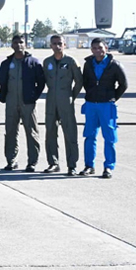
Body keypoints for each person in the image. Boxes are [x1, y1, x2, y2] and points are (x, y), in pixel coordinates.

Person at [80, 37, 128, 178]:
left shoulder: (115, 65)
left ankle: (108, 167)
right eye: (94, 48)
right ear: (91, 50)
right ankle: (89, 166)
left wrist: (111, 98)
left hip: (107, 106)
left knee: (109, 137)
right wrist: (91, 94)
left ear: (106, 48)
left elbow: (123, 85)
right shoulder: (88, 64)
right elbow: (86, 82)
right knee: (89, 136)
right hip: (91, 105)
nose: (97, 50)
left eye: (100, 47)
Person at [0, 35, 45, 172]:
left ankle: (32, 162)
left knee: (31, 132)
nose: (18, 45)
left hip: (28, 103)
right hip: (11, 102)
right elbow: (2, 80)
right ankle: (11, 161)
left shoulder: (33, 62)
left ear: (26, 44)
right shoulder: (6, 63)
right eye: (15, 42)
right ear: (12, 45)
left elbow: (41, 83)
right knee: (11, 132)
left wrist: (33, 97)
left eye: (21, 42)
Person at [42, 34, 83, 175]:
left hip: (66, 99)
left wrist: (71, 95)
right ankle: (53, 163)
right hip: (51, 100)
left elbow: (79, 82)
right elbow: (45, 80)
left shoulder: (71, 61)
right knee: (50, 132)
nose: (57, 46)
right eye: (54, 43)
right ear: (50, 45)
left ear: (64, 44)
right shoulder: (47, 62)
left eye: (60, 43)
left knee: (70, 133)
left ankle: (72, 165)